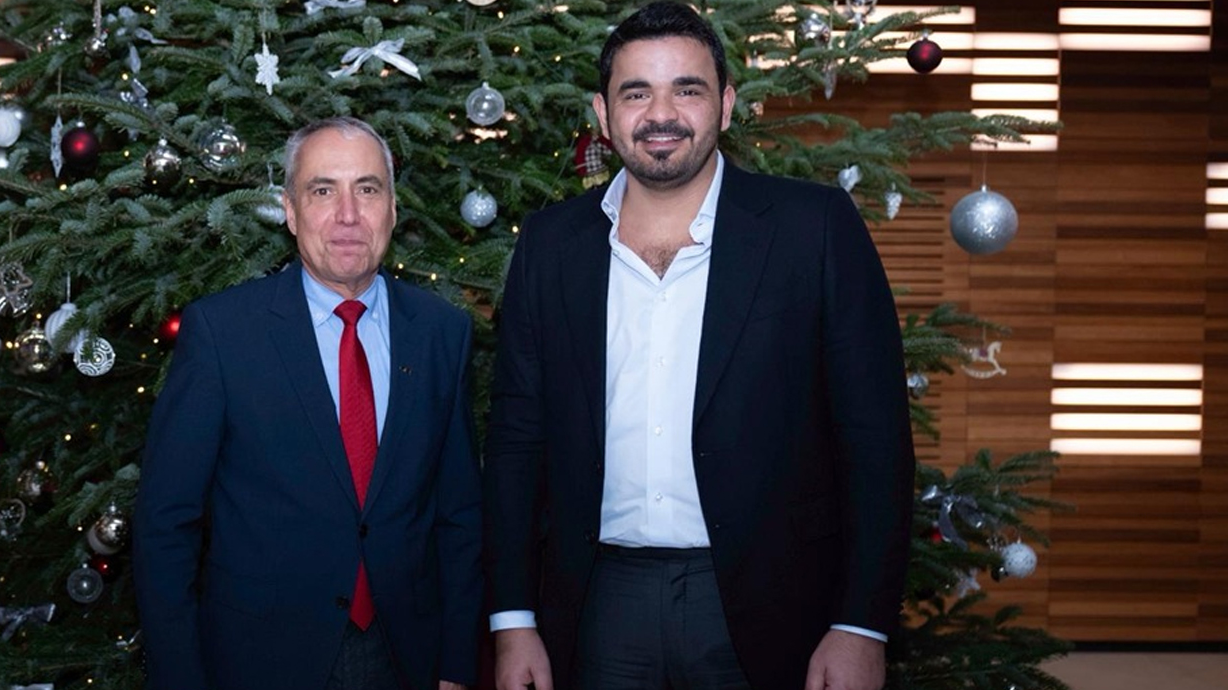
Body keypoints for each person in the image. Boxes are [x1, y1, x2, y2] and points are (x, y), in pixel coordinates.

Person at [482, 3, 915, 690]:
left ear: (727, 105)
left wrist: (862, 624)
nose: (662, 114)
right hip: (596, 600)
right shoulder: (550, 244)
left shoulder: (815, 229)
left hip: (773, 601)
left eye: (687, 89)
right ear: (602, 114)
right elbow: (516, 440)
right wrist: (512, 618)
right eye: (636, 93)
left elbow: (875, 439)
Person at [135, 116, 482, 690]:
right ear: (290, 211)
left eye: (367, 189)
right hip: (261, 660)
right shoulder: (223, 334)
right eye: (323, 191)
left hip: (407, 657)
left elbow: (459, 513)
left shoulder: (441, 332)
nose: (348, 214)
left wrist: (457, 665)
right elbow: (166, 525)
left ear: (393, 209)